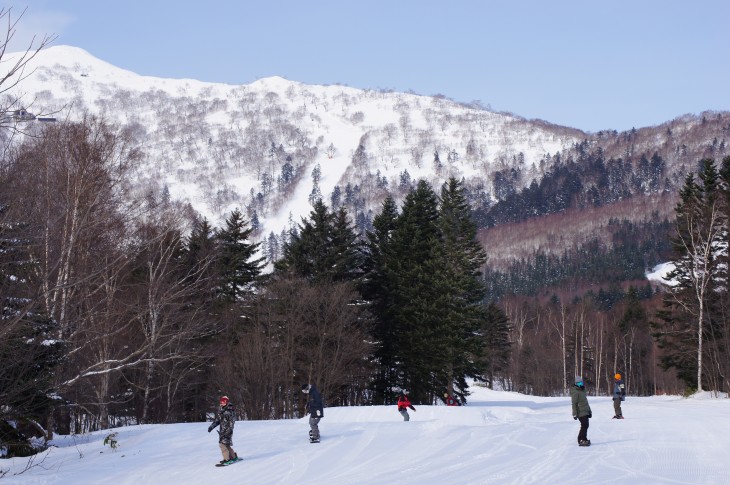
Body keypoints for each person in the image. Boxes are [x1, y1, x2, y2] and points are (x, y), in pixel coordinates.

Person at [208, 395, 239, 464]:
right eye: (221, 403)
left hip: (227, 431)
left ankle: (227, 459)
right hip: (223, 431)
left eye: (223, 403)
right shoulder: (222, 411)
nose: (221, 404)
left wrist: (227, 431)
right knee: (226, 444)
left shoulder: (229, 411)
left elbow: (231, 423)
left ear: (226, 403)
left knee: (222, 444)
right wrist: (211, 427)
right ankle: (233, 457)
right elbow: (218, 420)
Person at [570, 376, 592, 447]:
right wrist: (574, 414)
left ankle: (584, 438)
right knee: (584, 425)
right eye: (579, 383)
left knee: (586, 425)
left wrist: (589, 411)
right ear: (576, 383)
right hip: (580, 412)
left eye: (581, 382)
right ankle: (580, 439)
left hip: (585, 411)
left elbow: (586, 402)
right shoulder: (575, 392)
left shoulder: (582, 390)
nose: (581, 384)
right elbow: (574, 403)